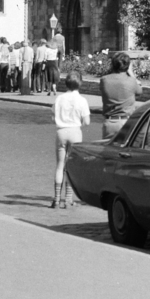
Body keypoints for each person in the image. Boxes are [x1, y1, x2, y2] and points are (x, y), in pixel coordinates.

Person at [52, 73, 90, 208]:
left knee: (60, 165)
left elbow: (53, 116)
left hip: (61, 131)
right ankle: (68, 199)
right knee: (71, 166)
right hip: (75, 131)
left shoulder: (59, 98)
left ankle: (56, 198)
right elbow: (87, 121)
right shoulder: (82, 100)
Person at [99, 52, 137, 139]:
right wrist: (131, 73)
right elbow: (139, 91)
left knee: (108, 150)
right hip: (126, 121)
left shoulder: (104, 80)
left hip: (110, 121)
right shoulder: (131, 81)